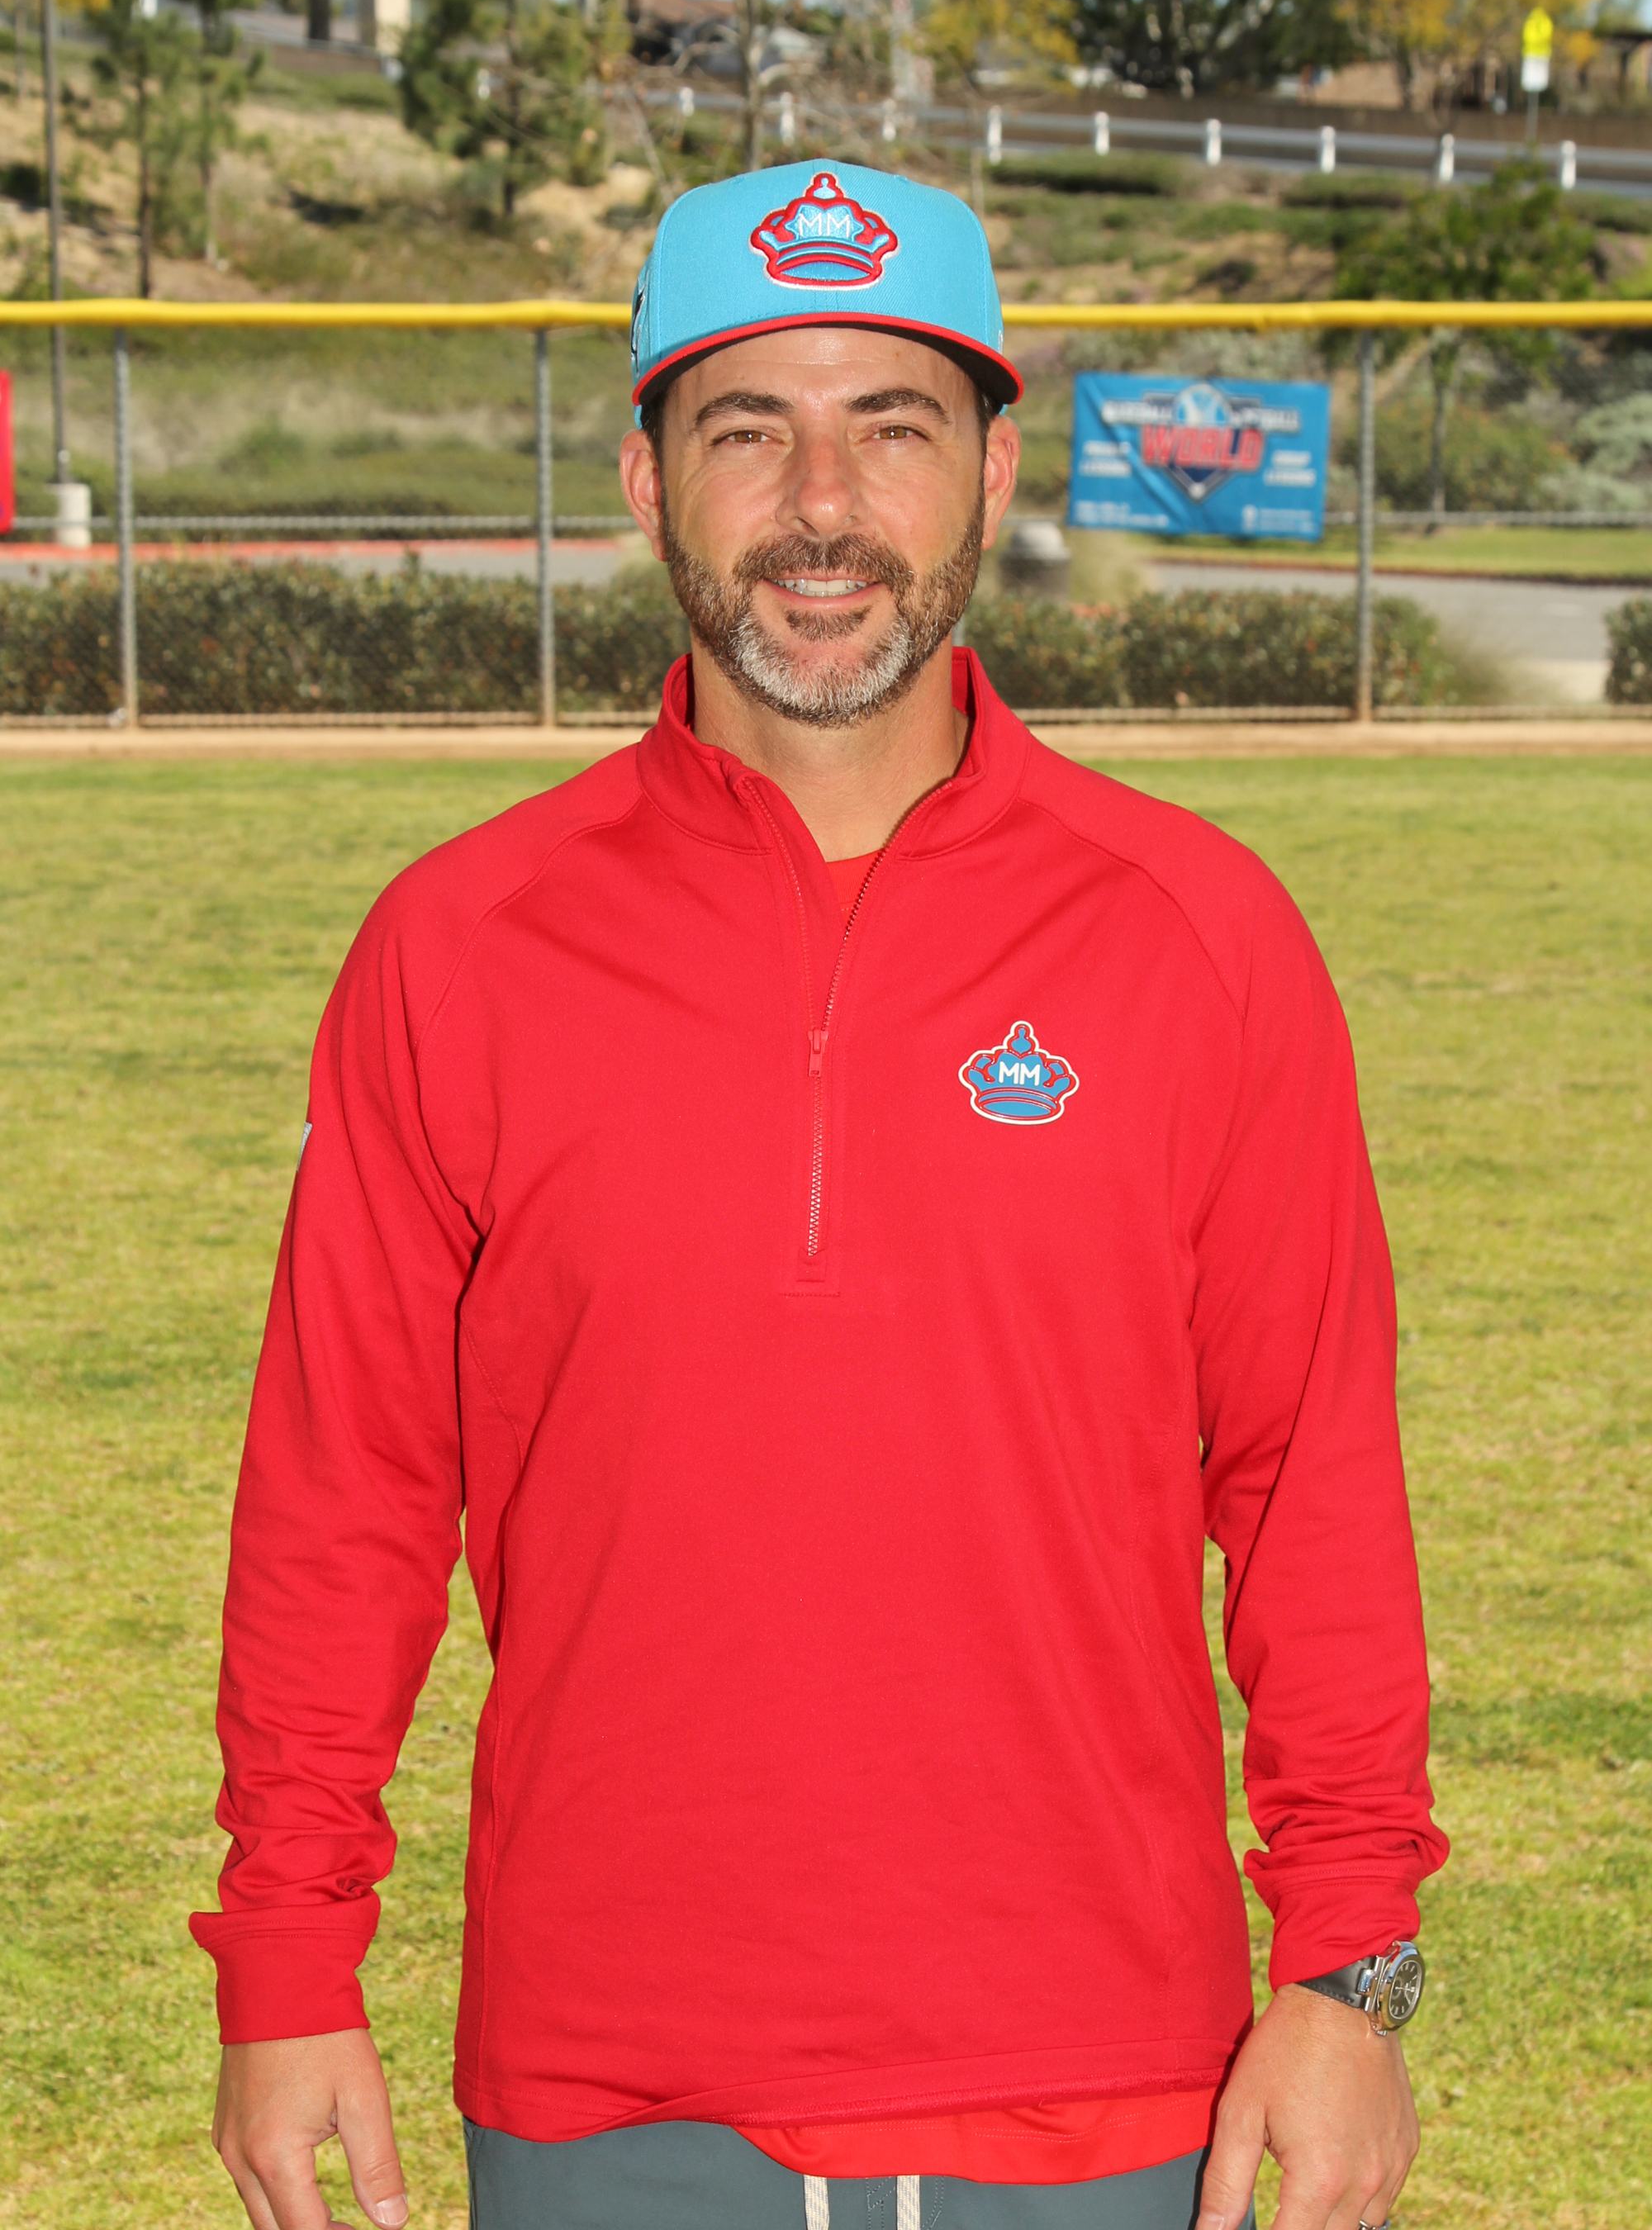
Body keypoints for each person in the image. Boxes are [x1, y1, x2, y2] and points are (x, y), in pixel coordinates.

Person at [192, 161, 1448, 2230]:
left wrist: (1348, 1964)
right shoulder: (460, 944)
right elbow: (346, 1493)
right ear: (644, 478)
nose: (823, 506)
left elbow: (1313, 1485)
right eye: (747, 429)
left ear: (991, 471)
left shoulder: (1198, 935)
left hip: (1105, 2069)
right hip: (608, 2072)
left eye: (893, 425)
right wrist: (288, 1947)